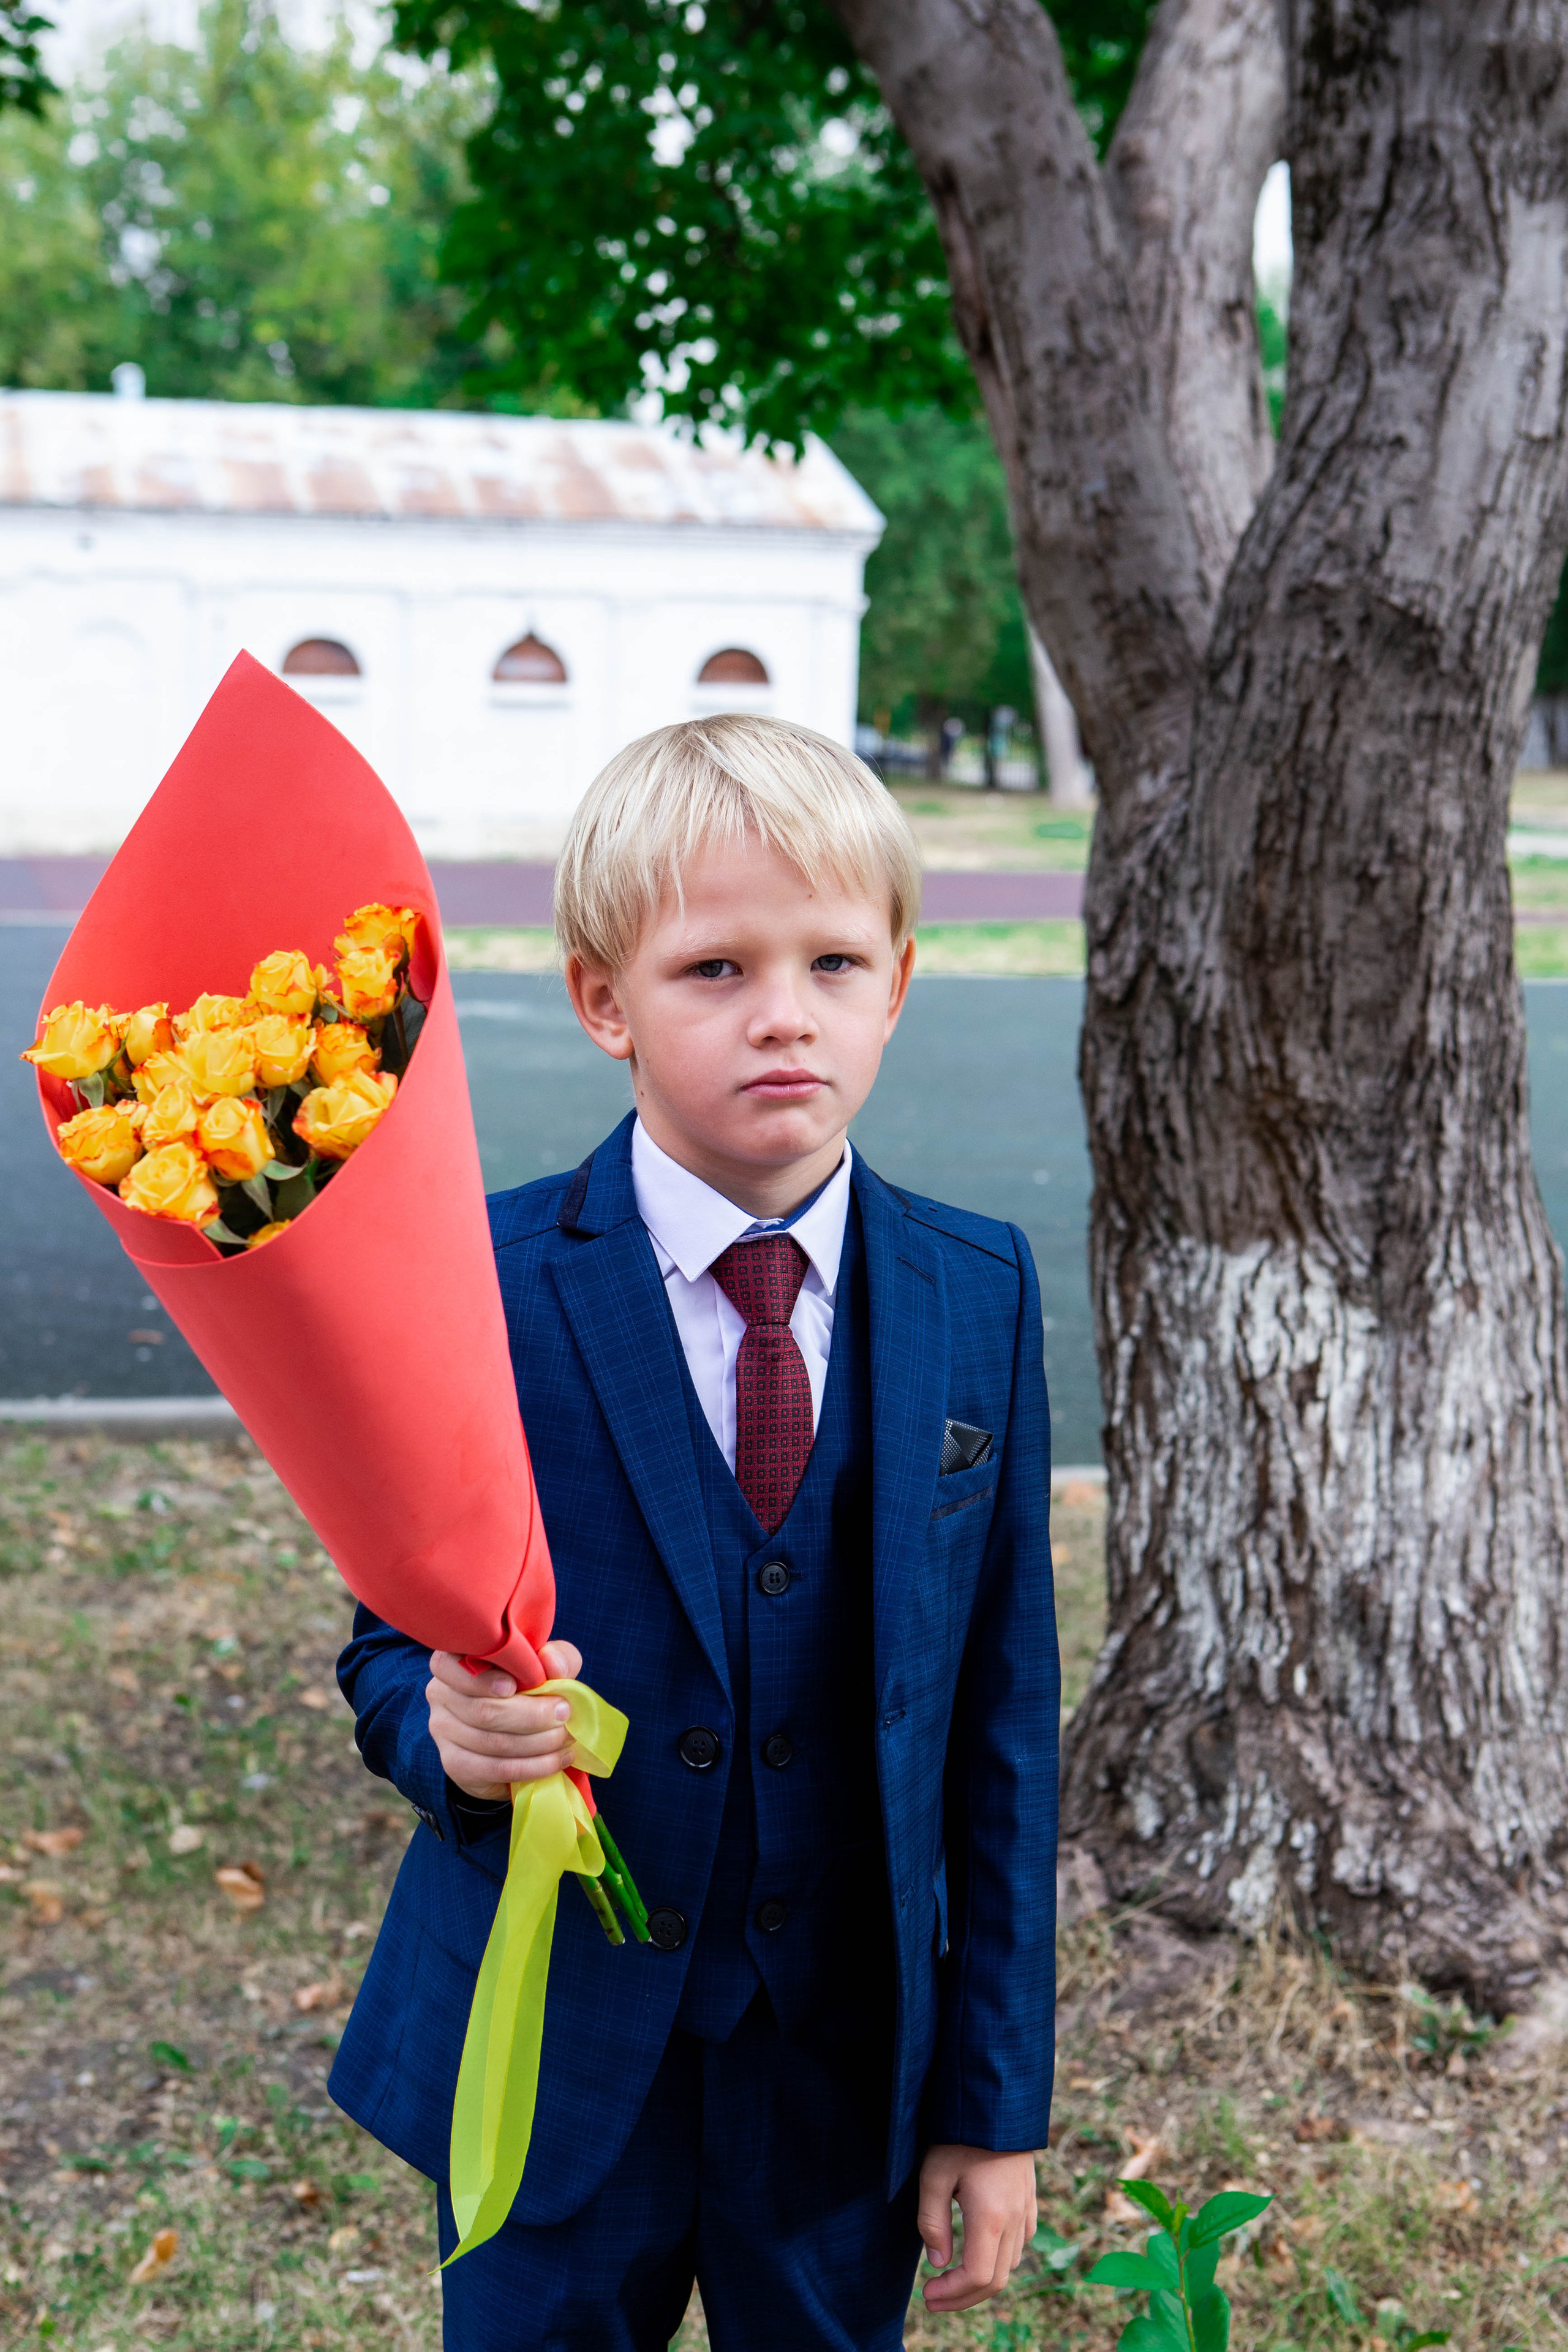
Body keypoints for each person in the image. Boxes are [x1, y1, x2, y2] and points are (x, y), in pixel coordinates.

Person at [329, 714, 1060, 2351]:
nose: (783, 1017)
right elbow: (388, 1639)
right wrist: (442, 1730)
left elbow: (1003, 1725)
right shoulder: (485, 1281)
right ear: (605, 1001)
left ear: (901, 981)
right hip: (560, 2046)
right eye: (714, 970)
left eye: (833, 964)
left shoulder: (980, 1288)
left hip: (838, 2060)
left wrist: (995, 2099)